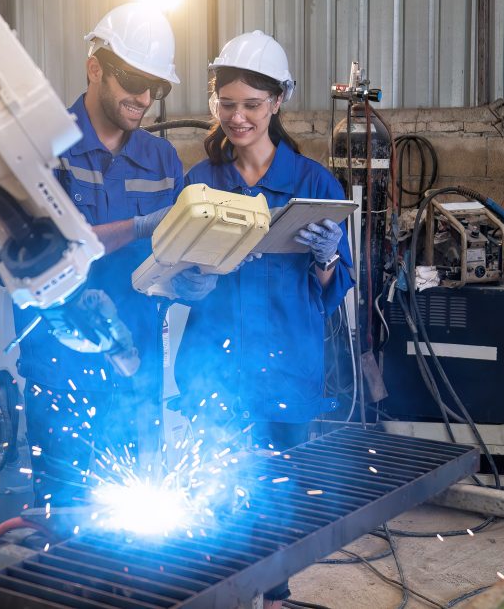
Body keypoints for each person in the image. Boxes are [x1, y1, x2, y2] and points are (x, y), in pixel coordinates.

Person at [173, 31, 354, 606]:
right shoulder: (201, 182)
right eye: (227, 105)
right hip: (212, 370)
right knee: (216, 494)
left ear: (277, 103)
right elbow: (181, 281)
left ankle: (272, 597)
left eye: (252, 105)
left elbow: (333, 289)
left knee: (278, 498)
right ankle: (220, 595)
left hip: (287, 371)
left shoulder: (314, 185)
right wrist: (192, 280)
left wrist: (326, 257)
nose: (238, 117)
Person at [16, 3, 215, 508]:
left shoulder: (163, 160)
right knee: (65, 515)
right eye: (132, 80)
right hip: (63, 364)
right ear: (95, 68)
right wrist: (142, 226)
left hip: (137, 363)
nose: (143, 98)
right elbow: (51, 250)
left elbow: (168, 262)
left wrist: (191, 280)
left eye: (156, 88)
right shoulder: (43, 144)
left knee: (129, 511)